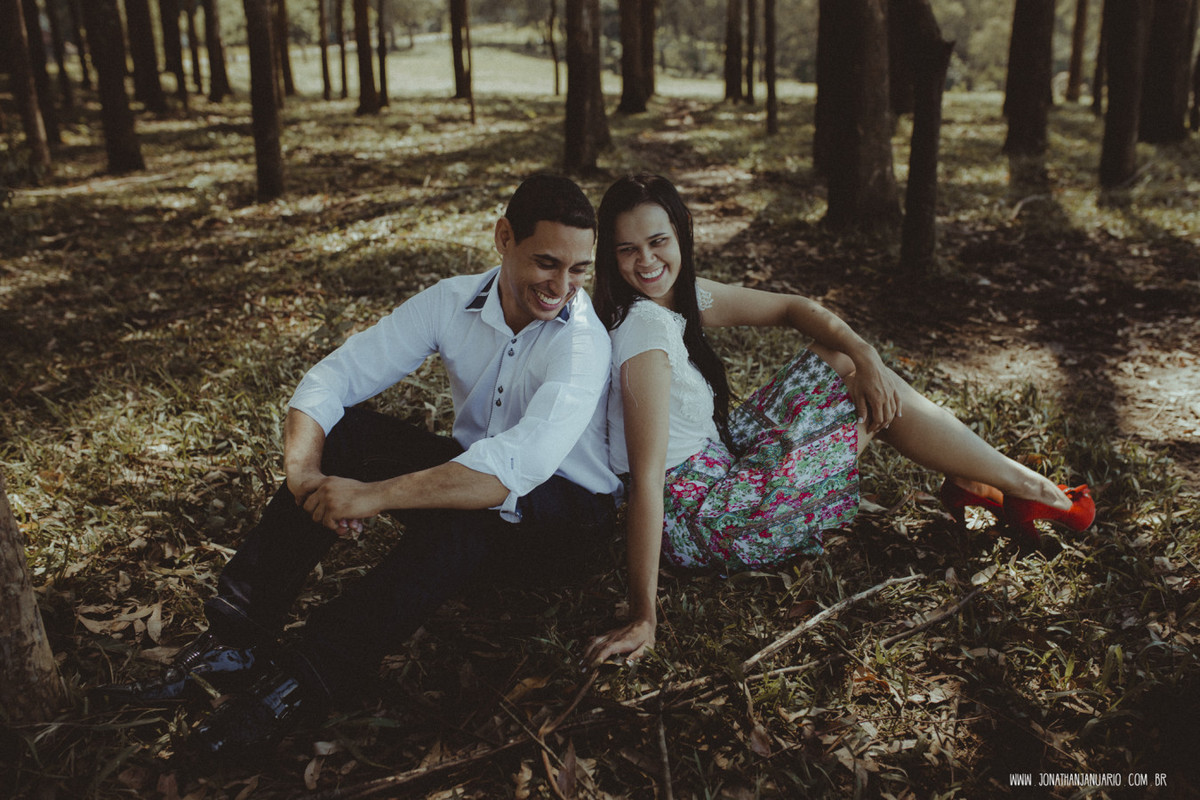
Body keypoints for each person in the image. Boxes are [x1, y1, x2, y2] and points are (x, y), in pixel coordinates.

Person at [100, 175, 622, 757]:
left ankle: (300, 683)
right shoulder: (452, 301)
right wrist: (304, 478)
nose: (563, 286)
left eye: (579, 269)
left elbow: (509, 472)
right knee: (351, 433)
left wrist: (373, 496)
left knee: (477, 509)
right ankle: (237, 640)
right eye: (547, 262)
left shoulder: (582, 342)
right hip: (479, 480)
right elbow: (336, 377)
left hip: (565, 521)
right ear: (504, 238)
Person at [582, 174, 1095, 668]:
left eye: (657, 241)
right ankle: (1019, 486)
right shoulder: (644, 328)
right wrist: (643, 617)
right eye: (628, 249)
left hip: (719, 462)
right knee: (863, 397)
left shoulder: (677, 296)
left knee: (847, 361)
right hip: (708, 518)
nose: (646, 261)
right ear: (610, 255)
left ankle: (977, 478)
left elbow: (792, 308)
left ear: (681, 235)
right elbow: (648, 479)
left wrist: (866, 354)